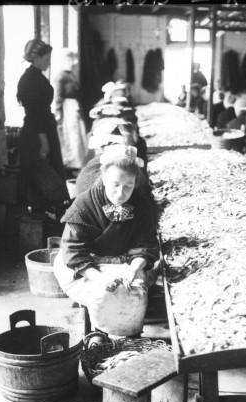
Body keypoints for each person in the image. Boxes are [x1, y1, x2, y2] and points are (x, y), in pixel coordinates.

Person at [53, 151, 158, 338]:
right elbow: (73, 250)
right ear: (103, 178)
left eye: (128, 186)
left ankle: (130, 337)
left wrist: (133, 270)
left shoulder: (142, 204)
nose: (121, 193)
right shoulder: (83, 204)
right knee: (103, 296)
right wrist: (99, 278)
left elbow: (146, 244)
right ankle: (99, 335)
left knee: (133, 296)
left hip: (126, 263)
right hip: (88, 266)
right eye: (115, 185)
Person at [17, 39, 70, 215]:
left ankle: (48, 214)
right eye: (46, 58)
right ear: (36, 58)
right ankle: (42, 215)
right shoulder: (30, 80)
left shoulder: (36, 76)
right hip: (36, 133)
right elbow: (34, 114)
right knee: (42, 175)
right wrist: (43, 141)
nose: (49, 61)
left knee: (48, 173)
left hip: (43, 128)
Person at [54, 49, 88, 171]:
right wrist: (58, 112)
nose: (74, 62)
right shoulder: (61, 76)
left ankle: (79, 162)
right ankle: (72, 164)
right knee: (72, 134)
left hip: (74, 106)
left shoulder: (70, 75)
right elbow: (58, 95)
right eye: (71, 59)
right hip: (67, 107)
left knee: (79, 133)